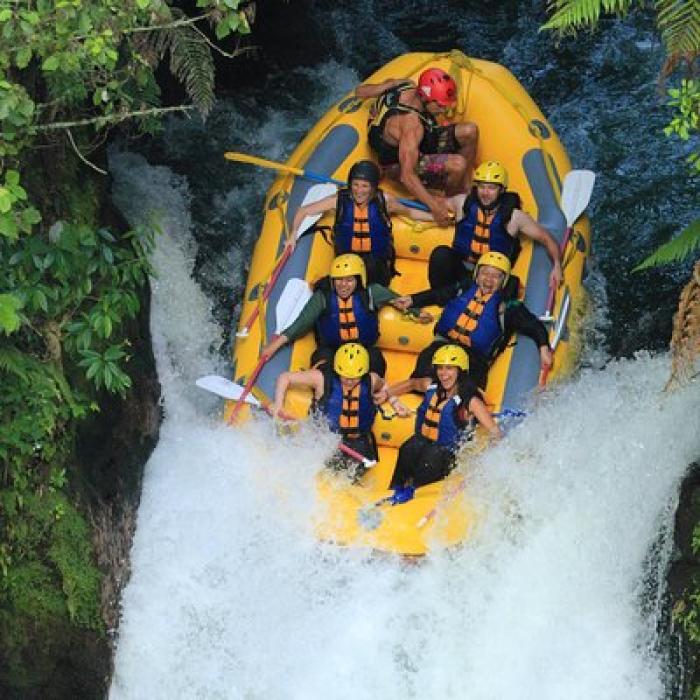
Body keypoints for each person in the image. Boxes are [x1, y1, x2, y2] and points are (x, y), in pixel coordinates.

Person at [391, 251, 553, 390]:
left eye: (496, 276)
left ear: (503, 281)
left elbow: (534, 326)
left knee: (465, 389)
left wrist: (543, 347)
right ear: (477, 275)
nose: (489, 280)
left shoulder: (507, 306)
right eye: (485, 273)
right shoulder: (463, 289)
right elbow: (438, 294)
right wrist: (413, 300)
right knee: (425, 374)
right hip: (442, 346)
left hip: (474, 358)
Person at [261, 253, 431, 377]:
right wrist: (275, 345)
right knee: (322, 368)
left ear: (359, 280)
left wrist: (417, 313)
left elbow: (398, 300)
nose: (343, 285)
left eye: (349, 280)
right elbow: (303, 322)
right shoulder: (323, 297)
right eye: (339, 280)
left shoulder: (373, 293)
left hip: (363, 349)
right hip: (331, 350)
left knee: (376, 361)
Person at [355, 67, 479, 227]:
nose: (444, 110)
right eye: (440, 106)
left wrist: (389, 84)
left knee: (470, 131)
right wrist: (435, 207)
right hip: (395, 165)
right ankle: (452, 197)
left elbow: (360, 91)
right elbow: (407, 176)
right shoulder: (412, 126)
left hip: (416, 140)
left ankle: (466, 187)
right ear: (426, 99)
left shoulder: (404, 85)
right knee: (458, 165)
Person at [427, 160, 564, 296]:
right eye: (482, 187)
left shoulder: (515, 217)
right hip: (462, 266)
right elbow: (437, 205)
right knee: (441, 254)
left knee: (512, 286)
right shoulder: (462, 202)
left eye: (492, 188)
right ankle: (440, 298)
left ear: (502, 190)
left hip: (491, 275)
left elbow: (546, 239)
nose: (485, 193)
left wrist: (557, 265)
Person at [288, 160, 431, 286]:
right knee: (328, 287)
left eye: (365, 186)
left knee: (369, 289)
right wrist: (293, 234)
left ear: (373, 188)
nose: (359, 191)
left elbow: (410, 212)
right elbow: (304, 211)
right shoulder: (339, 200)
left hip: (376, 261)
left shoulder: (385, 202)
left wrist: (434, 217)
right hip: (347, 260)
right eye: (355, 185)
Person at [387, 344, 501, 498]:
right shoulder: (431, 385)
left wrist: (486, 459)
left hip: (446, 455)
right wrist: (386, 394)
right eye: (440, 368)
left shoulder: (470, 401)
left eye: (449, 368)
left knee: (432, 457)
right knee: (409, 447)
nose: (443, 374)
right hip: (424, 444)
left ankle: (417, 495)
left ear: (460, 371)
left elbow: (495, 432)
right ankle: (395, 490)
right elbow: (412, 383)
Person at [271, 343, 383, 475]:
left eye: (354, 378)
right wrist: (278, 405)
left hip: (357, 441)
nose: (349, 382)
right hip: (325, 438)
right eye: (344, 376)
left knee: (351, 475)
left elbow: (383, 385)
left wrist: (386, 395)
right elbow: (285, 377)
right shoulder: (320, 378)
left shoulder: (372, 379)